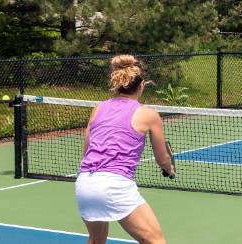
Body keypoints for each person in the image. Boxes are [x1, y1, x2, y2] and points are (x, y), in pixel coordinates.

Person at [75, 54, 175, 244]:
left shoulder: (98, 108)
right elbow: (162, 160)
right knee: (156, 242)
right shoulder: (149, 114)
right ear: (141, 84)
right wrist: (168, 168)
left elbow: (87, 151)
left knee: (96, 241)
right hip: (114, 186)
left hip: (85, 183)